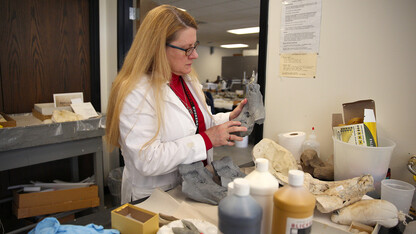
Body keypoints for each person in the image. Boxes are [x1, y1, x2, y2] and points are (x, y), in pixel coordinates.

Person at [105, 5, 248, 204]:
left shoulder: (187, 79)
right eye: (187, 49)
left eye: (195, 46)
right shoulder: (135, 91)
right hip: (155, 196)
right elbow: (146, 159)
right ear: (157, 47)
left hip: (195, 184)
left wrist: (228, 119)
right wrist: (207, 140)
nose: (195, 55)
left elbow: (194, 122)